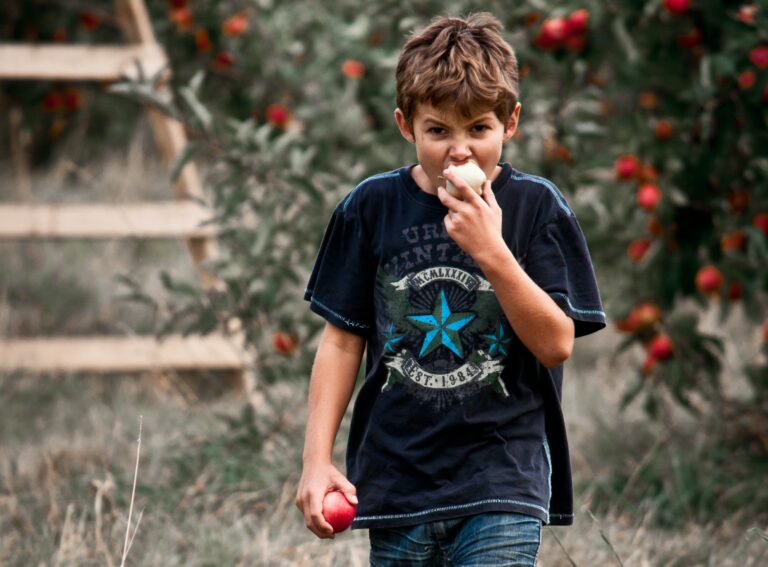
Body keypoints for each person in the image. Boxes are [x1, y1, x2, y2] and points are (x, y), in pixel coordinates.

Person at [295, 12, 606, 566]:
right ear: (405, 125)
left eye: (478, 129)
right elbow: (342, 341)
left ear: (510, 124)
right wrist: (316, 461)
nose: (459, 151)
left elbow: (557, 343)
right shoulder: (371, 208)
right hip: (397, 485)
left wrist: (492, 250)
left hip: (503, 481)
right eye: (438, 131)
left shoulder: (537, 210)